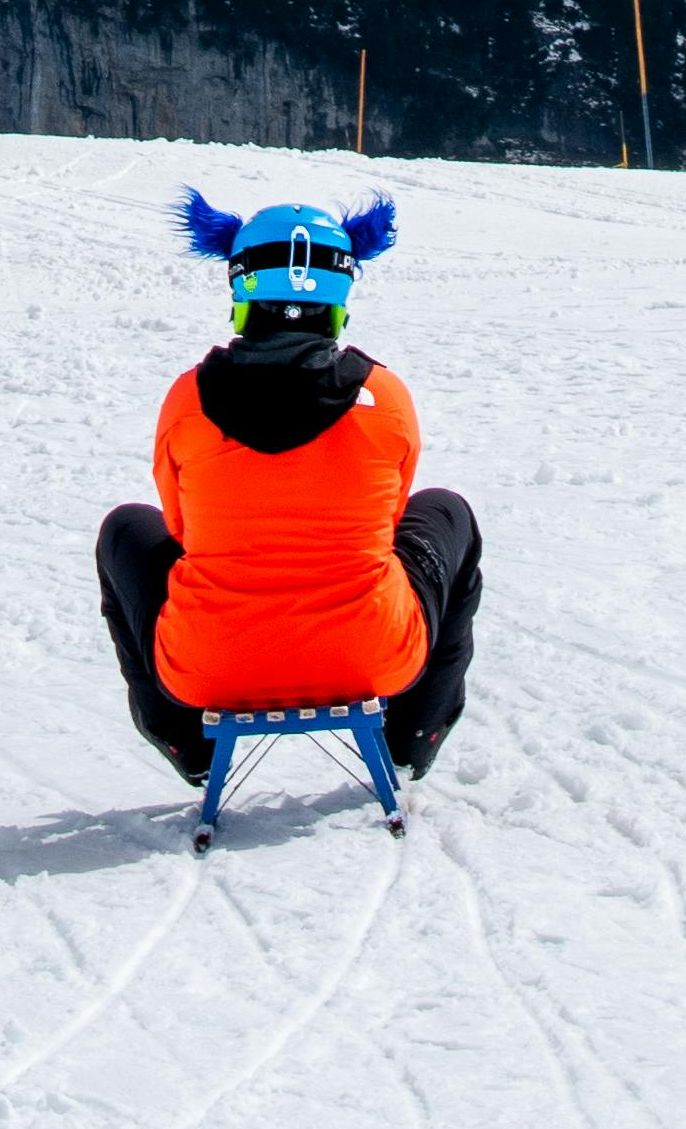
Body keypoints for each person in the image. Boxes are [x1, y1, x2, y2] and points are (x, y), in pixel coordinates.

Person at [96, 188, 481, 790]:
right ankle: (415, 733)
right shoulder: (386, 397)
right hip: (373, 653)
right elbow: (391, 515)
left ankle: (182, 736)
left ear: (242, 290)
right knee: (446, 514)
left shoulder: (188, 399)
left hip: (211, 665)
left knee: (126, 529)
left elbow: (178, 530)